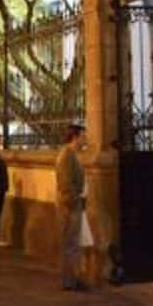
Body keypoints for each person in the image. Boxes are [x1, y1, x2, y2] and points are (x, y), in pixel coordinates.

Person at [55, 124, 88, 291]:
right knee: (70, 243)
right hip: (69, 206)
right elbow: (66, 183)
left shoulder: (72, 155)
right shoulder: (66, 156)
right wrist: (75, 200)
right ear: (75, 137)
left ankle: (73, 278)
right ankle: (69, 280)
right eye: (83, 136)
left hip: (73, 204)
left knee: (73, 243)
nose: (85, 139)